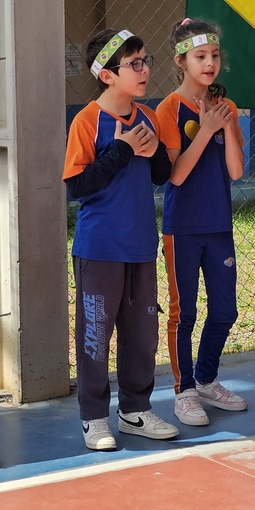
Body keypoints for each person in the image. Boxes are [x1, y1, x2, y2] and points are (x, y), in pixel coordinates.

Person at [64, 28, 179, 451]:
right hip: (100, 249)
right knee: (96, 337)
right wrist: (123, 150)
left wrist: (154, 153)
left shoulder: (147, 116)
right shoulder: (87, 121)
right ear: (108, 75)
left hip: (140, 247)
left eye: (145, 60)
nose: (145, 69)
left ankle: (135, 410)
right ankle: (94, 417)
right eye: (134, 64)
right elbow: (78, 186)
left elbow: (162, 174)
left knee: (142, 335)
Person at [155, 18, 247, 426]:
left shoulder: (225, 107)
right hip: (183, 228)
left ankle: (207, 379)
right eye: (200, 56)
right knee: (184, 314)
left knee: (225, 311)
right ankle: (185, 390)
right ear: (181, 61)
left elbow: (237, 171)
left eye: (214, 55)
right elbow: (175, 175)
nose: (209, 64)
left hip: (219, 225)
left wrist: (226, 124)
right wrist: (206, 131)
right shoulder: (168, 109)